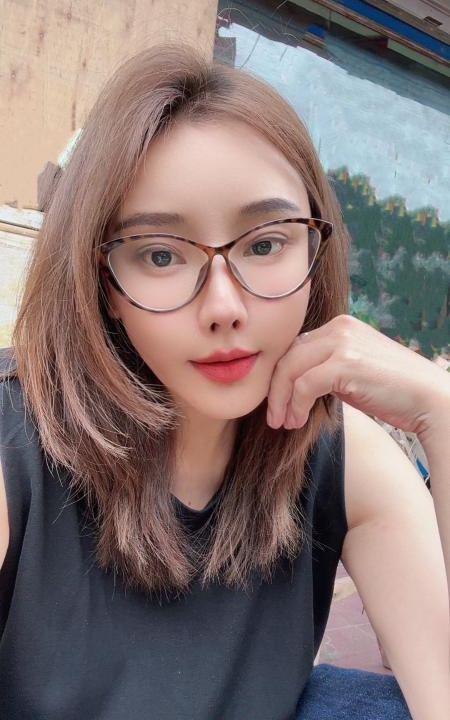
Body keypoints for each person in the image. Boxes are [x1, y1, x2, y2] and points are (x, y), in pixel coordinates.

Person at [0, 44, 448, 720]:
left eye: (265, 244)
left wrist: (441, 414)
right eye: (160, 255)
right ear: (104, 286)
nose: (224, 307)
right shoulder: (16, 446)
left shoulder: (340, 456)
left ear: (315, 248)